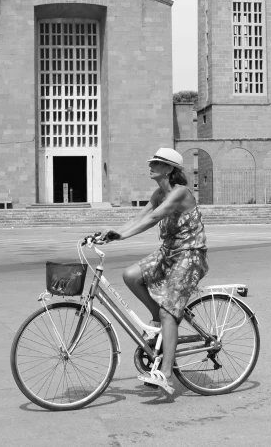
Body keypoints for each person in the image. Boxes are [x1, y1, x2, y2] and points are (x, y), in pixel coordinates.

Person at [99, 147, 208, 395]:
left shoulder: (180, 193)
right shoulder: (159, 193)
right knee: (131, 276)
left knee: (169, 310)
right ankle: (160, 321)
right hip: (169, 252)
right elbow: (141, 216)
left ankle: (167, 374)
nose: (151, 165)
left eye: (157, 163)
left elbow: (154, 218)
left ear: (169, 169)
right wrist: (111, 234)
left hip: (189, 255)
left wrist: (123, 236)